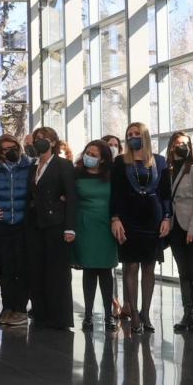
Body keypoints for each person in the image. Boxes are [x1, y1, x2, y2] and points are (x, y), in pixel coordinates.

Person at [110, 122, 171, 335]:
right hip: (128, 219)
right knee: (131, 266)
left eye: (137, 134)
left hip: (153, 220)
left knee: (149, 267)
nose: (133, 137)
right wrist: (115, 218)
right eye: (129, 135)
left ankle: (146, 312)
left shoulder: (160, 161)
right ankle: (133, 312)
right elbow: (115, 193)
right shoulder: (120, 162)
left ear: (144, 135)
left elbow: (165, 194)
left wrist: (167, 218)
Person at [26, 126, 77, 330]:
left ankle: (60, 318)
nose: (40, 141)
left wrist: (70, 228)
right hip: (35, 225)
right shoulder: (33, 166)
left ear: (53, 143)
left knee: (58, 272)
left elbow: (71, 197)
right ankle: (41, 315)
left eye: (44, 138)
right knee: (37, 270)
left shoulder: (63, 165)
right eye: (37, 138)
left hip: (56, 225)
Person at [0, 134, 31, 327]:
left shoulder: (29, 166)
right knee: (5, 268)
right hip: (1, 224)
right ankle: (7, 307)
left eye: (12, 147)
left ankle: (20, 309)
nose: (9, 152)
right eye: (4, 149)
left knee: (22, 267)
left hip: (23, 224)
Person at [165, 131, 193, 332]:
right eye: (177, 143)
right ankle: (187, 313)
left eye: (185, 143)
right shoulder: (171, 169)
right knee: (183, 270)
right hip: (175, 227)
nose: (180, 146)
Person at [72, 140, 118, 332]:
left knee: (106, 271)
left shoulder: (112, 176)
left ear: (103, 159)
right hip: (85, 226)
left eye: (94, 154)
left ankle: (109, 316)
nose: (89, 156)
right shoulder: (76, 175)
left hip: (106, 226)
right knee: (89, 270)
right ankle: (88, 315)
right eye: (87, 152)